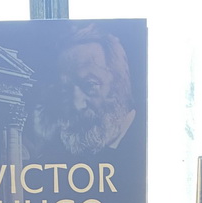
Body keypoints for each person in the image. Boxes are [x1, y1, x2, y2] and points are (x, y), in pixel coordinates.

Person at [34, 23, 137, 158]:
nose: (77, 105)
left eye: (90, 85)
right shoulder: (55, 154)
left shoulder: (148, 143)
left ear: (119, 84)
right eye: (66, 90)